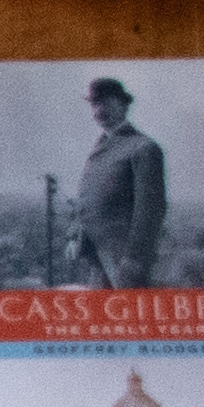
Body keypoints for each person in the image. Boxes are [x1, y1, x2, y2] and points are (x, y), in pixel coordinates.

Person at [75, 75, 168, 287]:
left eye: (107, 102)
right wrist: (77, 236)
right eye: (95, 104)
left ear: (124, 105)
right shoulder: (101, 147)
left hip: (124, 257)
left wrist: (135, 259)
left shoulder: (143, 147)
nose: (99, 110)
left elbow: (150, 211)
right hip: (97, 254)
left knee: (130, 315)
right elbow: (89, 197)